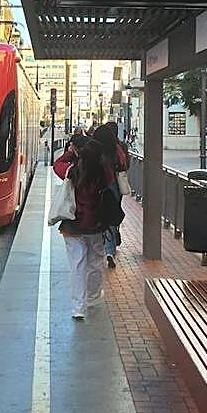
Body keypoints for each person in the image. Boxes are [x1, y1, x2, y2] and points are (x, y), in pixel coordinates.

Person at [54, 134, 114, 321]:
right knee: (95, 262)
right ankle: (93, 297)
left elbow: (57, 165)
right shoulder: (104, 174)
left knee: (77, 266)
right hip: (96, 225)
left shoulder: (72, 171)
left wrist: (71, 153)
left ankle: (78, 308)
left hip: (73, 225)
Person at [91, 122, 128, 269]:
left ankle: (101, 245)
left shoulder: (95, 149)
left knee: (99, 215)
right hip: (115, 186)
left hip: (99, 185)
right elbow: (124, 164)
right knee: (112, 217)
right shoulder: (117, 148)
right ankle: (110, 250)